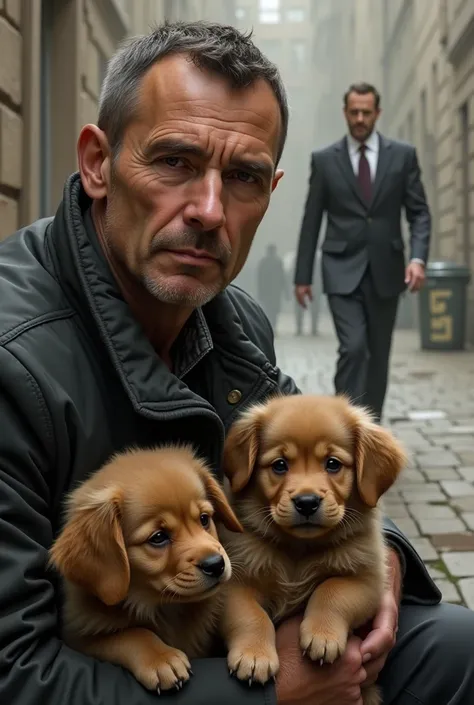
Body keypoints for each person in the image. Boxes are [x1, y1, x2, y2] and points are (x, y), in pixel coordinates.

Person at [0, 24, 472, 705]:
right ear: (97, 162)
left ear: (271, 191)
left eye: (244, 176)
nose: (210, 210)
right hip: (144, 671)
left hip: (242, 627)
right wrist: (272, 696)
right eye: (175, 162)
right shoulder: (15, 357)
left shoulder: (233, 320)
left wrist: (386, 564)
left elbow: (325, 468)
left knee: (459, 649)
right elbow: (16, 673)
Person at [294, 82, 431, 422]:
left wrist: (418, 259)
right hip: (340, 269)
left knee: (378, 356)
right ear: (345, 113)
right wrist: (302, 277)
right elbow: (311, 221)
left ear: (377, 114)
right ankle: (343, 425)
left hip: (387, 270)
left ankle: (370, 430)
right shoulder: (324, 161)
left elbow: (419, 213)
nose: (359, 118)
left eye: (365, 112)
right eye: (353, 112)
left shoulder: (402, 156)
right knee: (354, 348)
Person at [257, 244, 288, 332]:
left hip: (269, 291)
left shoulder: (264, 262)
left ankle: (270, 326)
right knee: (273, 310)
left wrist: (260, 292)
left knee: (270, 310)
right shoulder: (277, 262)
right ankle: (272, 326)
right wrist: (286, 291)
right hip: (274, 291)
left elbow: (260, 279)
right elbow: (282, 278)